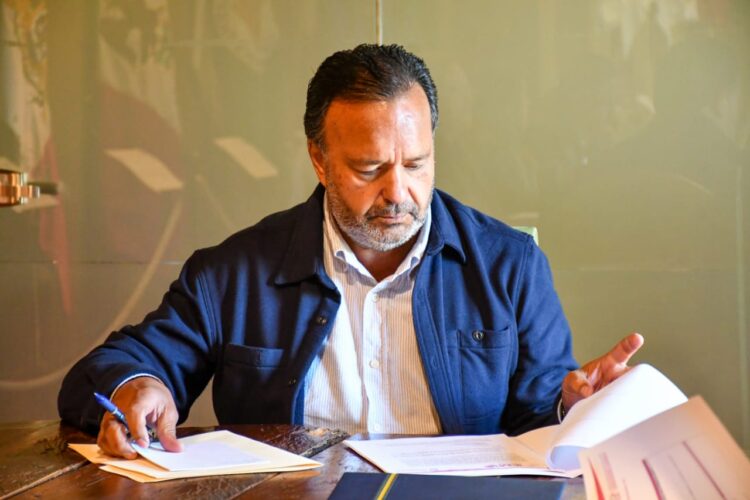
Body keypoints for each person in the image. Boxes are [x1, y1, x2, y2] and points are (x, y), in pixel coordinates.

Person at [58, 44, 643, 459]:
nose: (399, 192)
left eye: (417, 164)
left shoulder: (509, 266)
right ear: (319, 160)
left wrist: (575, 408)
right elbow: (110, 368)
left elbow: (539, 424)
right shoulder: (235, 273)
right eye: (369, 169)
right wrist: (136, 385)